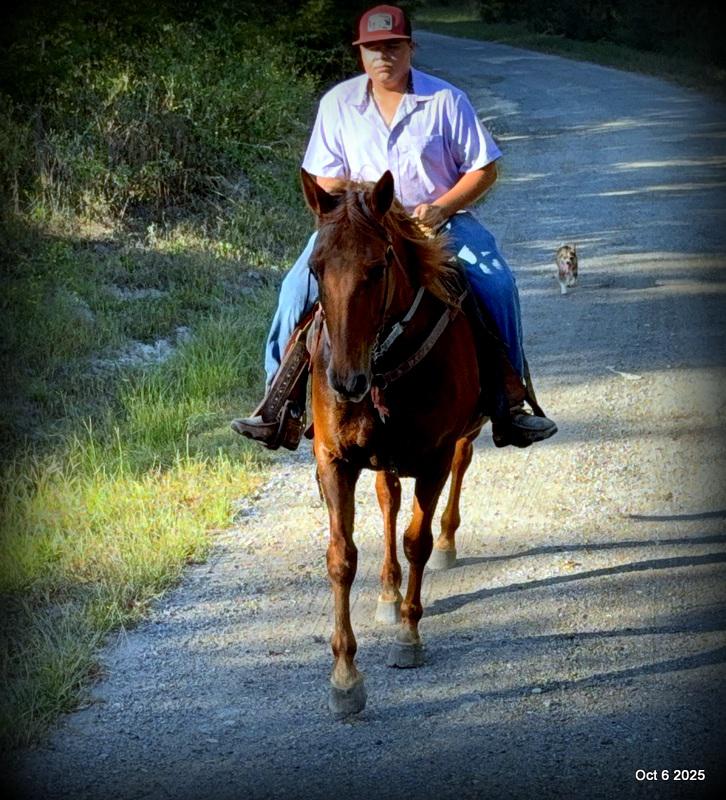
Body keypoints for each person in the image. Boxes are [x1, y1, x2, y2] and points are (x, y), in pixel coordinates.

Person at [232, 4, 557, 450]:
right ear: (360, 54)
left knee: (496, 282)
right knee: (294, 289)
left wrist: (441, 207)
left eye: (392, 46)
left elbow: (484, 169)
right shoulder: (338, 104)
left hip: (436, 224)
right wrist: (356, 202)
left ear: (409, 48)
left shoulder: (445, 100)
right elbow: (323, 179)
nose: (383, 56)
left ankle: (510, 401)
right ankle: (278, 404)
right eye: (373, 49)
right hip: (359, 228)